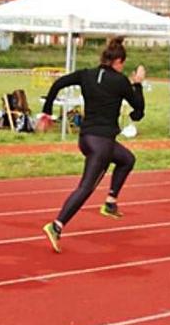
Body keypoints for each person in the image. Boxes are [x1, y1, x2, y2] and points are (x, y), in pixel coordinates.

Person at [38, 37, 145, 253]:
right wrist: (138, 84)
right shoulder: (121, 81)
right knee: (86, 187)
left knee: (127, 159)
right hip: (102, 143)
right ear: (119, 62)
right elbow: (139, 112)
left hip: (86, 138)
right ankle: (57, 225)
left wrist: (47, 111)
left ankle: (110, 202)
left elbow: (58, 83)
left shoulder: (86, 74)